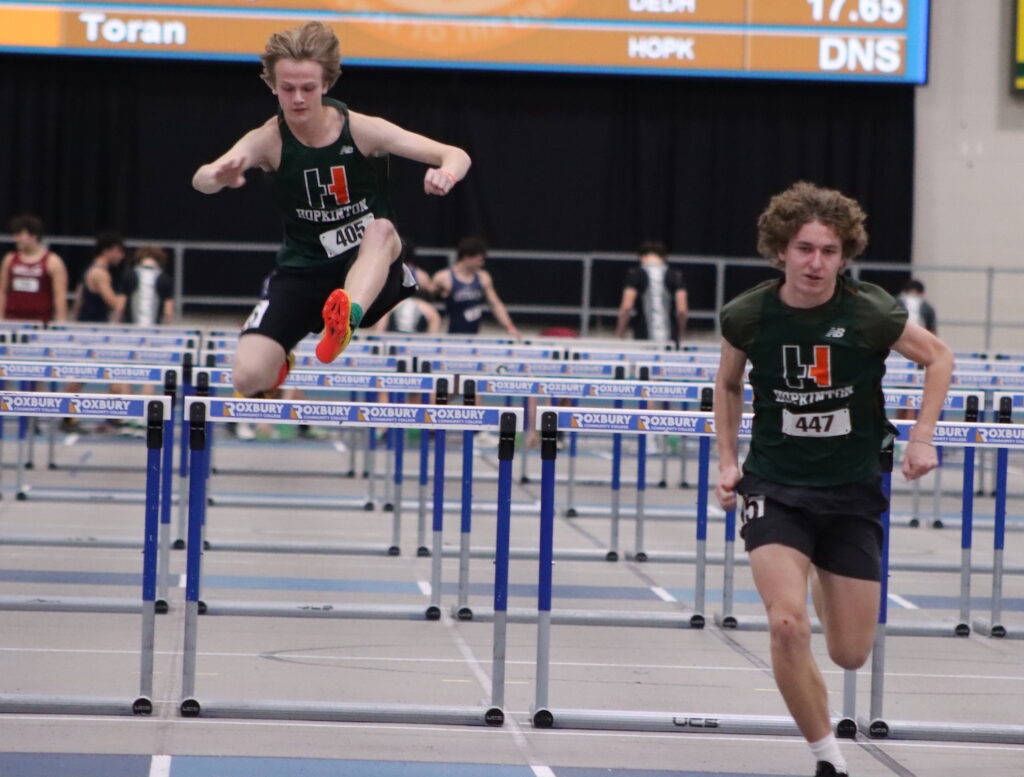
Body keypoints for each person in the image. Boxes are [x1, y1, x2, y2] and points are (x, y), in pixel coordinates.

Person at [713, 182, 952, 777]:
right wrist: (726, 461)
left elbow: (939, 357)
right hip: (775, 486)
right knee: (786, 623)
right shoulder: (748, 314)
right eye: (804, 249)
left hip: (851, 492)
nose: (816, 263)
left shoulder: (869, 311)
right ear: (781, 251)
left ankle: (820, 565)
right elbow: (728, 384)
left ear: (844, 256)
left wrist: (921, 436)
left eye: (828, 251)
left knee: (849, 653)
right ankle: (829, 759)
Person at [191, 21, 470, 398]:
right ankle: (282, 361)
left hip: (369, 273)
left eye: (308, 88)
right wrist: (220, 176)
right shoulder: (267, 140)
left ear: (326, 84)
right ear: (272, 85)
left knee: (382, 230)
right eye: (287, 89)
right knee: (246, 378)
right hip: (304, 273)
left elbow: (454, 154)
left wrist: (446, 175)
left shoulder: (362, 130)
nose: (299, 98)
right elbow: (202, 179)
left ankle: (345, 320)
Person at [432, 236, 518, 338]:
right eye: (480, 260)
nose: (482, 263)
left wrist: (510, 326)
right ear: (467, 257)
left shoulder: (483, 278)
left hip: (473, 334)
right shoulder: (444, 278)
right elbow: (429, 300)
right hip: (451, 334)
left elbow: (495, 304)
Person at [614, 240, 687, 342]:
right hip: (670, 337)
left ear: (641, 257)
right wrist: (681, 334)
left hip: (643, 335)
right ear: (664, 257)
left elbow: (626, 307)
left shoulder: (635, 274)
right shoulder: (675, 275)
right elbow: (682, 310)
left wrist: (619, 333)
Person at [0, 214, 68, 323]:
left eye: (19, 234)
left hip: (41, 320)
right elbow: (2, 291)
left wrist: (61, 322)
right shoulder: (9, 259)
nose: (16, 239)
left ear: (33, 236)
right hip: (12, 319)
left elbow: (59, 295)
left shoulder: (53, 261)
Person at [72, 230, 127, 323]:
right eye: (118, 251)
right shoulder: (100, 273)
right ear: (106, 251)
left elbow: (78, 299)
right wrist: (123, 297)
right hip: (93, 324)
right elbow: (113, 303)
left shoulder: (90, 269)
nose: (121, 256)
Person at [123, 245, 174, 325]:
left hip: (131, 329)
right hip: (153, 330)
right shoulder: (164, 278)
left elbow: (120, 307)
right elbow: (168, 312)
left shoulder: (130, 275)